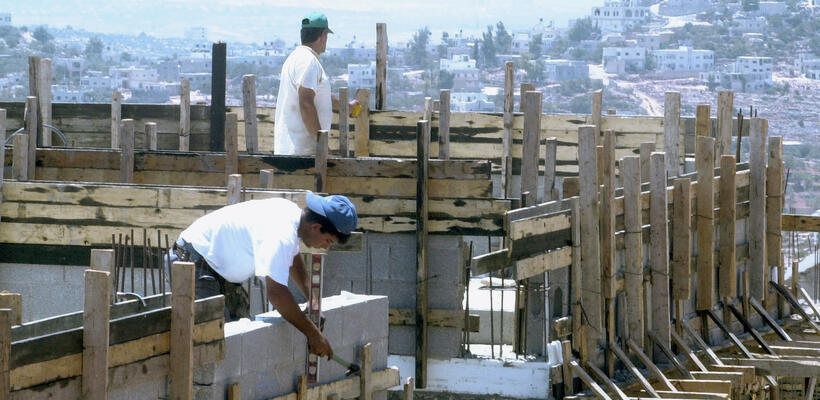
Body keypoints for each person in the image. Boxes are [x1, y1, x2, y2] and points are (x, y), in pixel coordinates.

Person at [171, 193, 358, 359]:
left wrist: (313, 299)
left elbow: (292, 257)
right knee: (209, 346)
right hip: (192, 264)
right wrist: (313, 334)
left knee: (237, 337)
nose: (326, 247)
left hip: (216, 268)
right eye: (328, 240)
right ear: (316, 227)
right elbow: (276, 294)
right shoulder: (281, 233)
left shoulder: (292, 216)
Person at [274, 12, 358, 155]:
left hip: (291, 152)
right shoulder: (309, 62)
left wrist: (347, 106)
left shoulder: (295, 58)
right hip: (302, 155)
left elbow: (318, 96)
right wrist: (322, 146)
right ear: (323, 36)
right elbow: (306, 102)